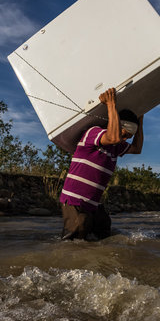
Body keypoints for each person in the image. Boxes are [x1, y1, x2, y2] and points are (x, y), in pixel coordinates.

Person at [59, 87, 144, 241]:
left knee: (105, 232)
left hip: (93, 204)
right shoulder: (94, 133)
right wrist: (111, 105)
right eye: (125, 134)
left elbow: (137, 148)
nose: (124, 140)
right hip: (75, 201)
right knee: (75, 239)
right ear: (118, 126)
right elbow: (113, 137)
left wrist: (141, 120)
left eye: (128, 137)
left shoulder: (117, 146)